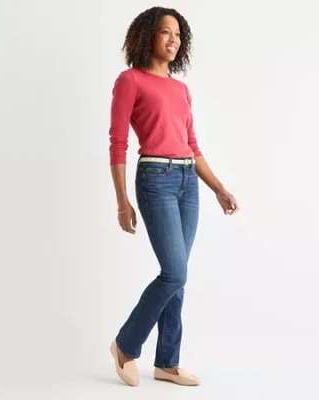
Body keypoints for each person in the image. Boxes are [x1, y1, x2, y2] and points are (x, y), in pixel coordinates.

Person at [108, 6, 240, 387]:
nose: (174, 39)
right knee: (174, 272)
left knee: (178, 276)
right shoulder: (130, 80)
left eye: (179, 34)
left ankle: (167, 362)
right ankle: (125, 345)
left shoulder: (181, 90)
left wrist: (219, 188)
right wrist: (122, 201)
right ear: (148, 34)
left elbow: (192, 146)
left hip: (188, 183)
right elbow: (118, 143)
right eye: (166, 31)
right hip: (155, 178)